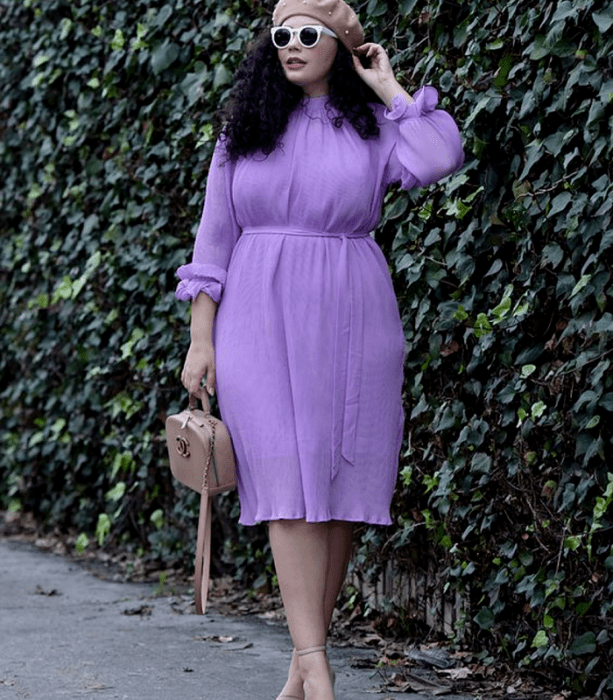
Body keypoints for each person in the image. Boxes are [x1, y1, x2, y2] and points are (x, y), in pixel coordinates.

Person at [175, 1, 463, 698]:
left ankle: (304, 664)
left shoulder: (370, 128)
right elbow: (213, 240)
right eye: (281, 36)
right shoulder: (244, 130)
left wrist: (387, 86)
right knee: (283, 482)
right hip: (256, 315)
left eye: (309, 35)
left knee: (337, 485)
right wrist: (200, 338)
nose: (292, 46)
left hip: (353, 311)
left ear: (343, 44)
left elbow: (440, 155)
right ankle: (315, 661)